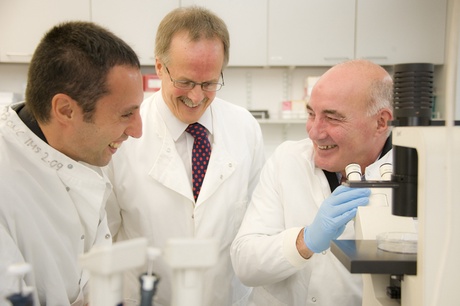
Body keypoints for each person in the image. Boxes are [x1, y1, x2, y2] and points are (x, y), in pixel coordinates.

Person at [104, 5, 265, 306]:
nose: (195, 96)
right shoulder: (123, 134)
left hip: (225, 298)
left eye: (209, 83)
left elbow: (254, 227)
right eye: (185, 82)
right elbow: (104, 237)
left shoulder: (245, 128)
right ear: (160, 68)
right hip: (146, 298)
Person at [0, 21, 144, 305]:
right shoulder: (8, 178)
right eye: (126, 114)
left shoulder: (78, 149)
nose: (137, 130)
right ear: (66, 110)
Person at [230, 59, 394, 305]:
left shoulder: (418, 176)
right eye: (311, 114)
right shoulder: (288, 160)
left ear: (381, 122)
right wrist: (304, 241)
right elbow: (245, 264)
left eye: (332, 118)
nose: (314, 131)